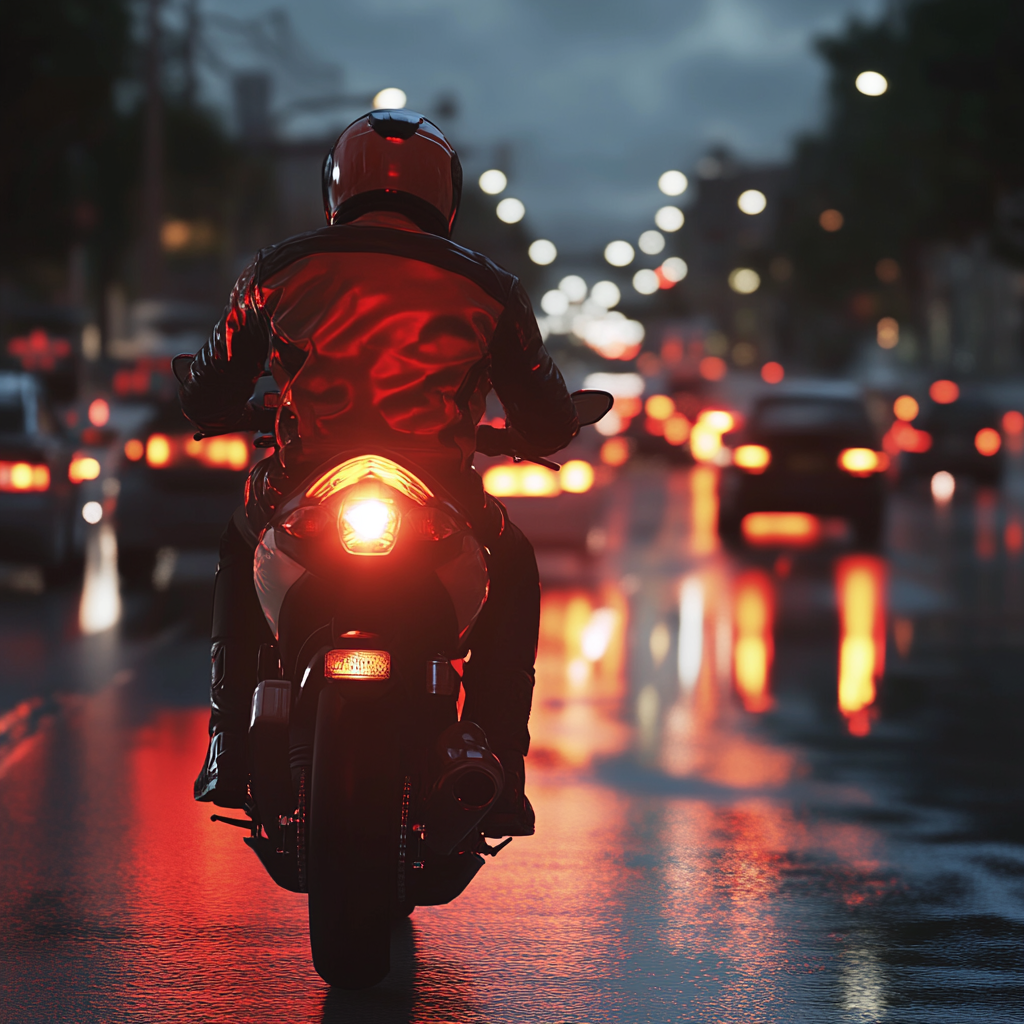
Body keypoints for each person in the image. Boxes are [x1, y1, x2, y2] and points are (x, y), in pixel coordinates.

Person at [180, 108, 578, 838]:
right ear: (445, 195)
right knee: (513, 562)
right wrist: (541, 429)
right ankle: (501, 763)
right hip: (440, 496)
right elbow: (545, 406)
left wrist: (210, 396)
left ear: (337, 186)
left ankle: (230, 746)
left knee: (240, 542)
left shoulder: (278, 269)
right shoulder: (490, 287)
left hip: (302, 488)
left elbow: (210, 385)